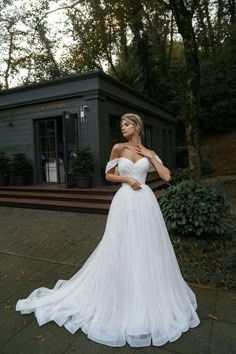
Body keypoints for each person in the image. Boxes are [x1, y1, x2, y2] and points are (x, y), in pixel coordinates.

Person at [16, 113, 200, 347]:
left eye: (127, 124)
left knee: (147, 246)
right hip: (124, 201)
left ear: (137, 127)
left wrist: (151, 158)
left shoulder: (149, 152)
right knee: (120, 245)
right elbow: (107, 175)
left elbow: (166, 176)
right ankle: (119, 290)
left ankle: (146, 291)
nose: (123, 127)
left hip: (145, 203)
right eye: (121, 124)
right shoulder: (118, 148)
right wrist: (127, 180)